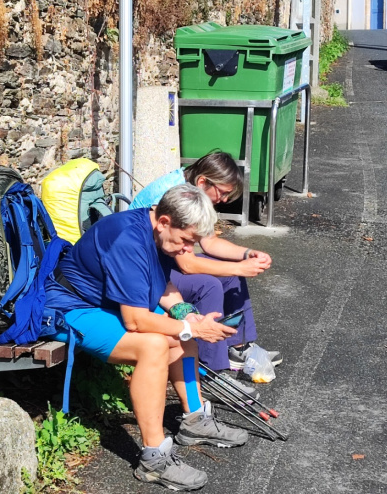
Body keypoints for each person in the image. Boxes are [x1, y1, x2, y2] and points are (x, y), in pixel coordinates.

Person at [42, 184, 248, 491]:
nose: (186, 251)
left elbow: (162, 288)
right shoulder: (129, 240)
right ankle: (154, 459)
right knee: (152, 344)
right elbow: (136, 321)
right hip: (68, 307)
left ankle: (194, 421)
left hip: (101, 304)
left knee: (180, 327)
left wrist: (186, 315)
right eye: (185, 241)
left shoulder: (157, 232)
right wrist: (191, 327)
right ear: (164, 221)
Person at [129, 152, 282, 386]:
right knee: (208, 284)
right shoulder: (175, 197)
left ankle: (238, 347)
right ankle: (211, 371)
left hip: (163, 260)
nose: (224, 199)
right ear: (203, 182)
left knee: (230, 274)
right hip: (144, 270)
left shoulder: (194, 192)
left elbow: (209, 242)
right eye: (223, 192)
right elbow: (187, 264)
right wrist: (239, 268)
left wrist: (245, 254)